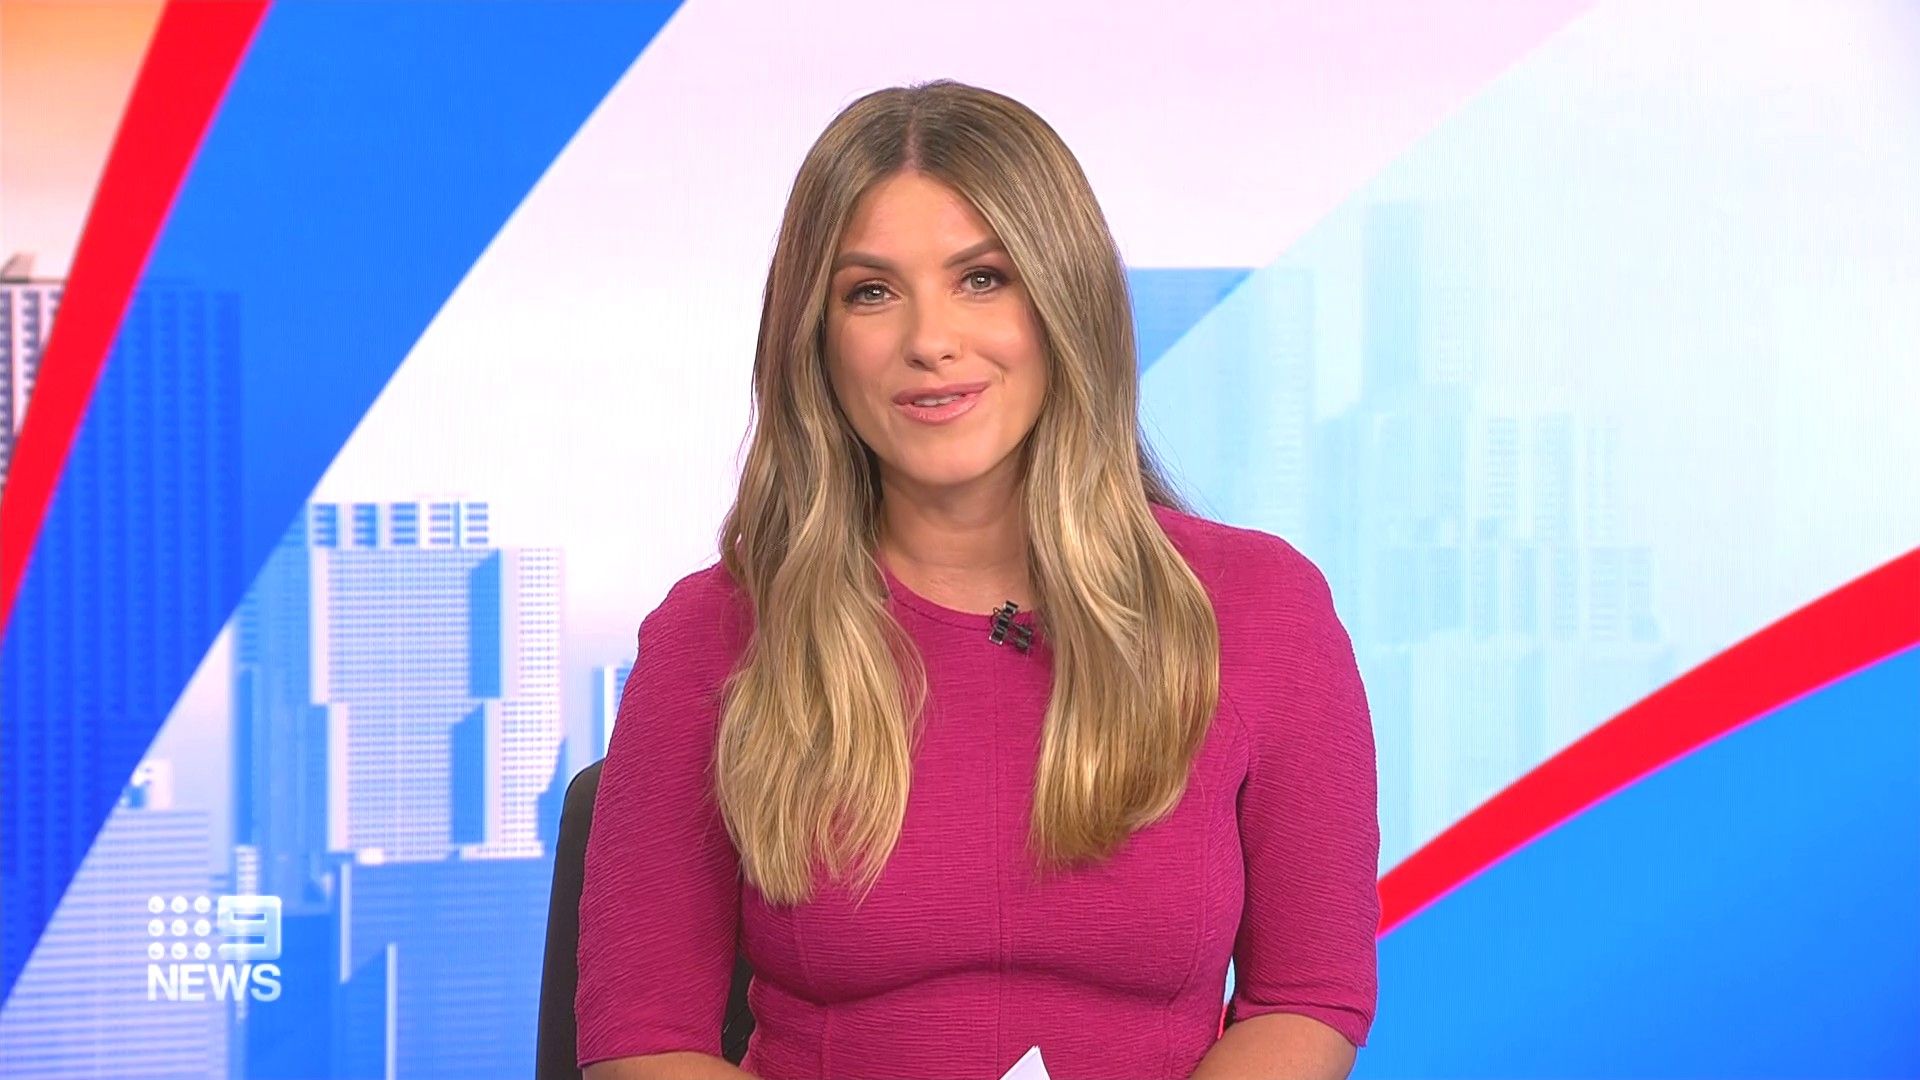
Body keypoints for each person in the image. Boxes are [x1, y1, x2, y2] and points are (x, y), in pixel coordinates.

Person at [577, 79, 1379, 1080]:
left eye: (982, 279)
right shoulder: (715, 632)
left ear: (1064, 303)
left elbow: (1306, 998)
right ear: (815, 338)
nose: (930, 340)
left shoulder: (1263, 610)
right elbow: (642, 1040)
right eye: (871, 292)